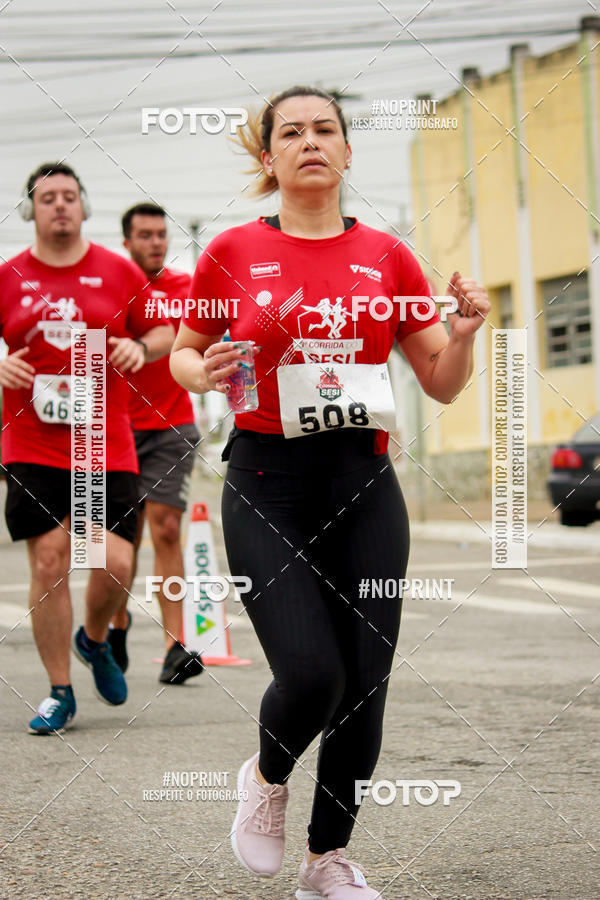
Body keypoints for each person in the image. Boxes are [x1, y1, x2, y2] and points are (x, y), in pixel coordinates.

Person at [170, 87, 490, 899]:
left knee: (365, 683)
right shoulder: (233, 250)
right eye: (291, 132)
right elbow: (184, 350)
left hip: (364, 483)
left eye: (325, 130)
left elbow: (440, 381)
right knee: (313, 674)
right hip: (266, 482)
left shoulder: (388, 256)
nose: (309, 141)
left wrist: (462, 337)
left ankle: (327, 861)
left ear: (348, 151)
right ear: (268, 157)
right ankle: (265, 777)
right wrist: (201, 371)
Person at [0, 162, 173, 734]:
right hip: (31, 440)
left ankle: (94, 640)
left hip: (102, 440)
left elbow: (164, 329)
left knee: (115, 562)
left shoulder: (117, 271)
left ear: (83, 206)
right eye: (47, 196)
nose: (59, 205)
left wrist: (141, 349)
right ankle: (59, 692)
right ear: (30, 209)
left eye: (69, 195)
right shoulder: (9, 276)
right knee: (50, 559)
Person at [107, 203, 203, 685]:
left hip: (172, 426)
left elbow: (199, 337)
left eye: (161, 234)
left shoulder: (187, 289)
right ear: (127, 242)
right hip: (116, 428)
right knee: (122, 538)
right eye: (144, 235)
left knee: (166, 528)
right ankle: (116, 622)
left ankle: (174, 647)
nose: (156, 242)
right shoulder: (110, 288)